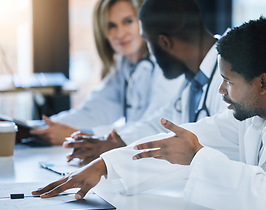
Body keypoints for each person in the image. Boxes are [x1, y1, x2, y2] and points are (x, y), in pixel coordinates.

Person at [32, 16, 266, 210]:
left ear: (262, 82)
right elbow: (186, 141)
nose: (220, 92)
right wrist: (106, 166)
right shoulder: (256, 116)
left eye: (228, 82)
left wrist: (197, 157)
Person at [62, 0, 227, 164]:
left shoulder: (229, 80)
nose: (150, 54)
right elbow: (161, 123)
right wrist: (117, 143)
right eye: (111, 26)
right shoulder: (192, 79)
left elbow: (209, 148)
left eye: (148, 43)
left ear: (164, 42)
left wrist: (113, 159)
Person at [30, 0, 184, 146]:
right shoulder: (123, 65)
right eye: (111, 26)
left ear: (143, 22)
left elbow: (156, 126)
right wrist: (42, 126)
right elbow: (94, 111)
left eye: (128, 21)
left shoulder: (165, 65)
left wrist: (81, 134)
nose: (120, 34)